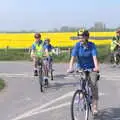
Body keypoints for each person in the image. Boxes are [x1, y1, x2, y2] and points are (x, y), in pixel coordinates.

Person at [67, 29, 100, 115]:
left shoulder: (91, 45)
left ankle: (94, 107)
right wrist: (70, 68)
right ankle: (83, 96)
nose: (80, 38)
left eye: (82, 36)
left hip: (91, 68)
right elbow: (73, 57)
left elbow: (94, 57)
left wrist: (96, 67)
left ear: (86, 37)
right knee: (82, 84)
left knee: (93, 86)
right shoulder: (77, 45)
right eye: (79, 36)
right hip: (81, 68)